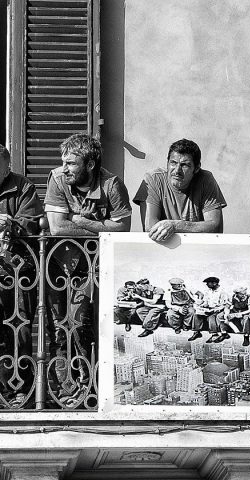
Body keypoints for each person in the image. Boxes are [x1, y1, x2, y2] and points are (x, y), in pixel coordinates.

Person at [44, 133, 132, 404]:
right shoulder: (57, 178)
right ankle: (62, 391)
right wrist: (96, 225)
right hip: (57, 266)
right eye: (63, 162)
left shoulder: (112, 184)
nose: (64, 168)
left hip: (94, 267)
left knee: (84, 325)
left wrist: (78, 220)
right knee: (58, 328)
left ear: (90, 164)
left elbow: (123, 228)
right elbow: (57, 228)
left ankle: (88, 388)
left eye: (71, 163)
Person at [0, 144, 43, 407]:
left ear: (6, 167)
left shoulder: (22, 186)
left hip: (15, 270)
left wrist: (11, 223)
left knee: (18, 329)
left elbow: (34, 221)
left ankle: (18, 390)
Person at [133, 138, 227, 242]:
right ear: (167, 162)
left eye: (184, 165)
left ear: (196, 168)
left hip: (198, 249)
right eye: (173, 163)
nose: (177, 171)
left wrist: (176, 226)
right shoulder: (153, 179)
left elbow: (215, 227)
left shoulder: (206, 179)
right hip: (163, 248)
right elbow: (151, 228)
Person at [189, 276, 228, 343]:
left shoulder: (222, 292)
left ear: (214, 283)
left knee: (211, 317)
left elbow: (224, 305)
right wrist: (201, 307)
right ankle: (197, 332)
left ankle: (214, 334)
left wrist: (215, 310)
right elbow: (206, 302)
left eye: (208, 283)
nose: (207, 284)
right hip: (209, 309)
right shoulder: (208, 291)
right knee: (196, 315)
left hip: (218, 310)